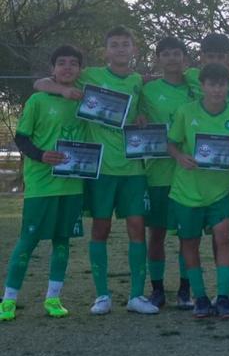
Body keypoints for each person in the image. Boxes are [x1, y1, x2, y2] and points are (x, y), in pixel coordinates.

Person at [33, 26, 157, 315]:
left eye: (126, 44)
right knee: (101, 229)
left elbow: (142, 113)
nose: (120, 49)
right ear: (106, 51)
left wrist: (141, 116)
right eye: (114, 44)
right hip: (100, 169)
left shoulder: (139, 80)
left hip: (133, 170)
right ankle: (102, 296)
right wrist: (64, 90)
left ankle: (137, 296)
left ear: (134, 49)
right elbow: (40, 84)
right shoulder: (90, 76)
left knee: (137, 228)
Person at [1, 45, 86, 321]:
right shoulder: (38, 100)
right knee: (29, 240)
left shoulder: (85, 98)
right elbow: (22, 138)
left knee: (62, 242)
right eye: (62, 62)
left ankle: (53, 298)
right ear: (53, 68)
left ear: (80, 69)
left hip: (72, 184)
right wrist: (40, 155)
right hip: (41, 185)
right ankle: (9, 300)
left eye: (73, 63)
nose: (68, 67)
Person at [166, 63, 229, 319]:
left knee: (223, 239)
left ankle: (223, 296)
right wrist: (180, 157)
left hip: (220, 191)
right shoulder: (185, 111)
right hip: (187, 192)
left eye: (222, 84)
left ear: (228, 86)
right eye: (212, 84)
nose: (217, 89)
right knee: (189, 243)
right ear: (202, 86)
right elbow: (171, 143)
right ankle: (200, 297)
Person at [139, 36, 194, 308]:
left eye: (177, 53)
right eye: (166, 54)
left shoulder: (196, 87)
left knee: (187, 234)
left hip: (188, 175)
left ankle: (186, 289)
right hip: (157, 173)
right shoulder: (146, 89)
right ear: (158, 59)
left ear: (185, 58)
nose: (172, 58)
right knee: (157, 233)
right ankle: (157, 288)